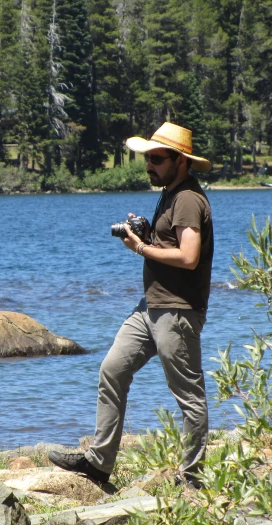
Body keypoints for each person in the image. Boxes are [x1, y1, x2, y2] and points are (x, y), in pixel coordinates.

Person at [49, 122, 214, 487]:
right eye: (147, 158)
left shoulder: (188, 198)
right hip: (150, 307)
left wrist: (139, 247)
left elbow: (188, 257)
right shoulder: (170, 193)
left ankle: (192, 476)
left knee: (189, 395)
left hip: (178, 311)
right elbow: (170, 244)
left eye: (156, 158)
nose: (149, 165)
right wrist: (147, 232)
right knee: (112, 370)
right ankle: (98, 462)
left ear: (180, 161)